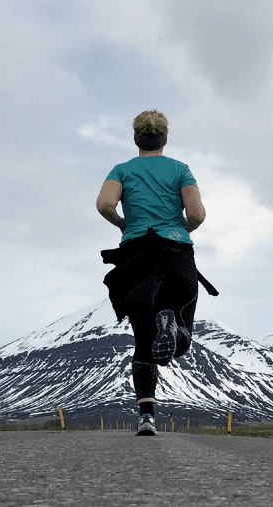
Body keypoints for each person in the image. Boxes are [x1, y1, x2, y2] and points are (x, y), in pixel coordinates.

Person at [97, 110, 217, 436]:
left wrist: (123, 223)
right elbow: (197, 212)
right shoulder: (180, 170)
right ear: (165, 137)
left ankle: (146, 417)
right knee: (181, 336)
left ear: (137, 137)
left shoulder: (122, 170)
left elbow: (104, 204)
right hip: (177, 254)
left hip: (136, 258)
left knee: (144, 340)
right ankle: (175, 330)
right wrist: (186, 226)